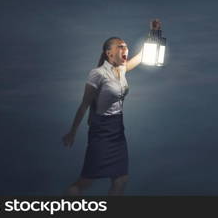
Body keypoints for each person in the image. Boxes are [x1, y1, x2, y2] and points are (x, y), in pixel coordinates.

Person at [62, 19, 161, 195]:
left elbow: (142, 55)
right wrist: (72, 132)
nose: (125, 49)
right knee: (85, 181)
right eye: (120, 47)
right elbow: (84, 105)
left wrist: (153, 33)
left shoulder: (121, 69)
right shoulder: (97, 74)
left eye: (126, 46)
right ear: (109, 53)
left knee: (121, 179)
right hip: (101, 130)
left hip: (117, 130)